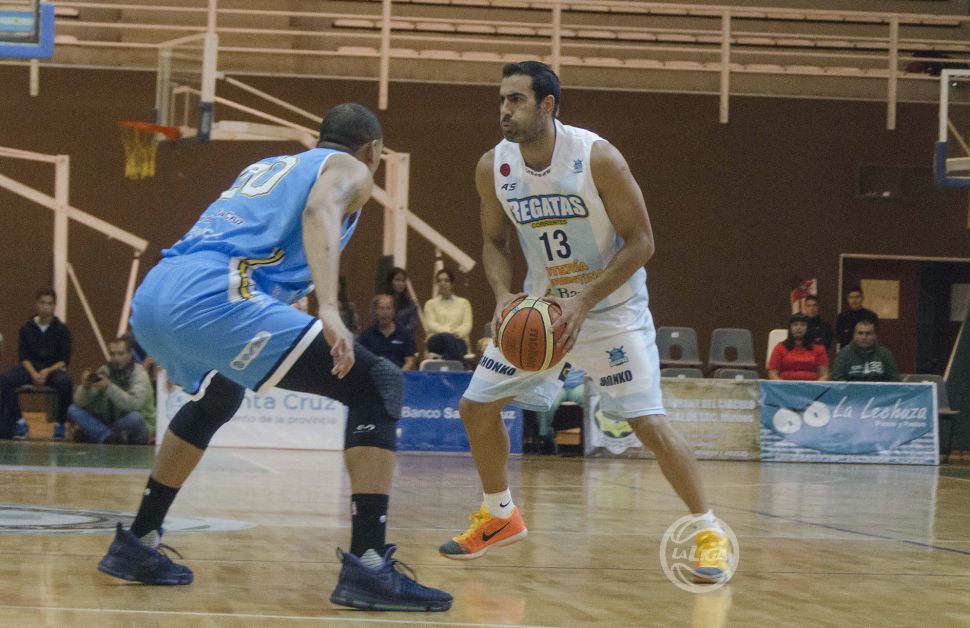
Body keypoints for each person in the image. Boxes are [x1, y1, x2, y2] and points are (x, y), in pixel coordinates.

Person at [95, 103, 451, 612]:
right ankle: (370, 566)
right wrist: (329, 308)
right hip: (216, 292)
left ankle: (139, 542)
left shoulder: (268, 166)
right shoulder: (350, 169)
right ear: (373, 150)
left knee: (219, 397)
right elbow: (319, 210)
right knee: (377, 383)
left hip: (159, 292)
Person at [438, 61, 732, 584]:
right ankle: (500, 514)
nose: (504, 110)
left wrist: (585, 300)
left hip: (611, 311)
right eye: (502, 99)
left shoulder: (597, 158)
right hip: (541, 312)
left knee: (649, 423)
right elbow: (494, 242)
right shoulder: (493, 166)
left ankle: (709, 531)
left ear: (547, 105)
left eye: (516, 100)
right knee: (475, 407)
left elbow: (642, 242)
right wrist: (503, 295)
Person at [0, 289, 73, 440]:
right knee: (5, 380)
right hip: (30, 368)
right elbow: (23, 357)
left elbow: (64, 360)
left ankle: (59, 424)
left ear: (54, 306)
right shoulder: (26, 328)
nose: (46, 307)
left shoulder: (63, 330)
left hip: (52, 370)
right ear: (36, 304)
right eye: (42, 303)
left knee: (66, 382)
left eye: (49, 303)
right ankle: (19, 422)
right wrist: (33, 373)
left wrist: (47, 371)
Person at [68, 337, 153, 444]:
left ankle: (97, 435)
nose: (116, 358)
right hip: (109, 422)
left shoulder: (139, 374)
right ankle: (108, 437)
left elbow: (133, 404)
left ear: (130, 354)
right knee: (72, 409)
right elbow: (80, 403)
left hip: (133, 424)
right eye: (112, 354)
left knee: (136, 418)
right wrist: (85, 388)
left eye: (120, 353)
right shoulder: (105, 370)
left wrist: (109, 387)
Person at [532, 366, 586, 455]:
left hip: (580, 384)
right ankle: (545, 437)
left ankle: (592, 441)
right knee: (545, 401)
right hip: (555, 384)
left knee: (591, 399)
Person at [424, 268, 473, 361]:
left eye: (446, 281)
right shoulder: (430, 304)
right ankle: (462, 365)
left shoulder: (464, 303)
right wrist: (450, 333)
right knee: (448, 339)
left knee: (451, 346)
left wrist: (454, 335)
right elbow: (432, 325)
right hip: (436, 341)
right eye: (439, 281)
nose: (442, 283)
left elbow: (467, 325)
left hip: (459, 339)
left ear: (452, 284)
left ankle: (448, 364)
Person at [358, 294, 418, 370]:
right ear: (375, 311)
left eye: (388, 308)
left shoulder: (404, 334)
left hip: (400, 374)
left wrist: (399, 374)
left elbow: (410, 361)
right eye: (381, 308)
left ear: (394, 311)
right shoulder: (366, 336)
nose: (385, 312)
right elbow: (363, 362)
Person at [831, 319, 900, 382]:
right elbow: (837, 379)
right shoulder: (844, 354)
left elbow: (894, 379)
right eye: (860, 333)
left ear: (875, 336)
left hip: (879, 391)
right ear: (854, 335)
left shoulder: (885, 354)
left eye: (868, 333)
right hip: (851, 391)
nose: (864, 337)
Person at [767, 314, 829, 381]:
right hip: (784, 386)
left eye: (803, 325)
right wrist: (783, 386)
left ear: (809, 328)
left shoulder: (819, 348)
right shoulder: (780, 348)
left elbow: (824, 375)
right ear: (790, 328)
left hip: (812, 386)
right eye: (795, 325)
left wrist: (815, 386)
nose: (798, 327)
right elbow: (773, 374)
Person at [384, 267, 420, 340]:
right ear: (390, 282)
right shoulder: (382, 302)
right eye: (398, 280)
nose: (401, 284)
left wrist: (399, 334)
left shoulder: (411, 304)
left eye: (403, 281)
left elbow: (412, 325)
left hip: (404, 339)